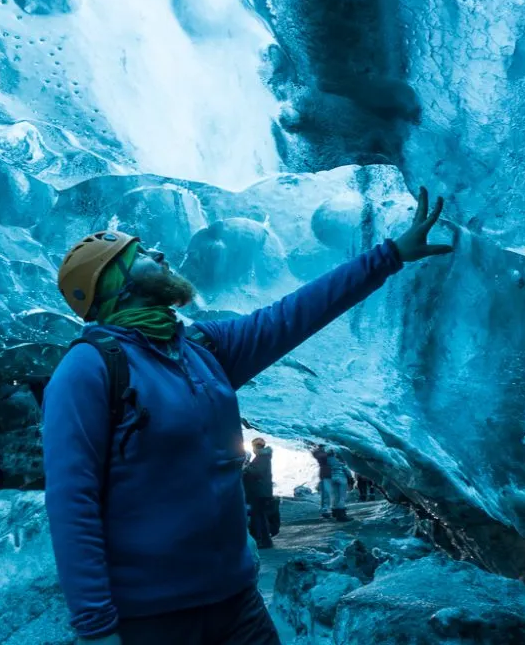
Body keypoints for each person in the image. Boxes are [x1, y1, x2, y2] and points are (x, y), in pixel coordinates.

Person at [44, 188, 452, 645]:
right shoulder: (89, 368)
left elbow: (295, 314)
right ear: (115, 283)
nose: (157, 251)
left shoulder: (200, 349)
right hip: (151, 619)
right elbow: (71, 501)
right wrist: (97, 627)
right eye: (137, 253)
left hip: (237, 601)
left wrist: (390, 255)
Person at [243, 438, 275, 549]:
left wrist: (246, 468)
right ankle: (264, 540)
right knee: (260, 516)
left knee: (259, 516)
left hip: (259, 492)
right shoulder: (263, 457)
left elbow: (257, 473)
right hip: (262, 492)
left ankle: (263, 540)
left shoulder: (262, 458)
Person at [325, 449, 355, 522]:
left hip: (331, 478)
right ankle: (341, 515)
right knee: (342, 497)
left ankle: (334, 512)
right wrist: (350, 478)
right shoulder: (338, 459)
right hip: (341, 478)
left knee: (334, 496)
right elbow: (346, 469)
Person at [311, 444, 333, 519]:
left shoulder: (326, 452)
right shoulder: (318, 452)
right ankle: (325, 510)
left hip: (334, 473)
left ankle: (333, 508)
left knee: (333, 493)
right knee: (326, 493)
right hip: (326, 474)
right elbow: (319, 456)